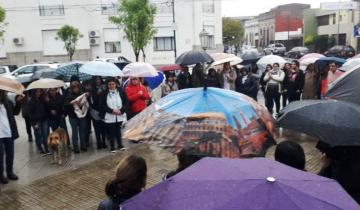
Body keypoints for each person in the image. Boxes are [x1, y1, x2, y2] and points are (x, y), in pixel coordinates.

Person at [100, 78, 128, 152]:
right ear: (107, 85)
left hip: (119, 114)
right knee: (111, 131)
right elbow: (102, 105)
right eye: (110, 84)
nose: (111, 86)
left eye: (113, 84)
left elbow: (126, 102)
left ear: (115, 84)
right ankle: (112, 146)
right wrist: (111, 111)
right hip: (110, 115)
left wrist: (121, 110)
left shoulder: (121, 92)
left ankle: (120, 145)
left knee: (118, 130)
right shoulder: (104, 93)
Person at [0, 90, 22, 184]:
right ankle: (1, 175)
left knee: (10, 153)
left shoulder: (8, 101)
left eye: (3, 92)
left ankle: (10, 172)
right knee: (0, 155)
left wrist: (18, 101)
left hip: (8, 132)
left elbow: (16, 112)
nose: (3, 94)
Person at [64, 81, 87, 153]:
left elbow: (85, 103)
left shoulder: (82, 94)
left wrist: (81, 103)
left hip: (82, 115)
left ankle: (83, 145)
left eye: (77, 87)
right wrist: (73, 103)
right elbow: (66, 105)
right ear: (72, 88)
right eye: (74, 88)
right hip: (73, 116)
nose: (76, 89)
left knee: (82, 131)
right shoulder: (68, 95)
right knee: (74, 132)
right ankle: (75, 146)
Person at [28, 89, 49, 154]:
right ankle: (40, 148)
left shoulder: (43, 99)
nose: (38, 93)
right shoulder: (31, 101)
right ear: (34, 92)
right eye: (37, 92)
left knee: (45, 135)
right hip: (36, 121)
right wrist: (34, 123)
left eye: (40, 92)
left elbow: (46, 109)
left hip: (44, 120)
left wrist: (47, 101)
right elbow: (30, 113)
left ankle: (46, 148)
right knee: (38, 135)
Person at [90, 76, 107, 149]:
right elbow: (92, 102)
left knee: (103, 128)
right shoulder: (92, 90)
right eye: (96, 80)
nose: (98, 81)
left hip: (103, 110)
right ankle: (99, 143)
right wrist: (97, 94)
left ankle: (104, 142)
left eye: (99, 79)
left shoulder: (104, 88)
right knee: (97, 128)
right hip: (95, 111)